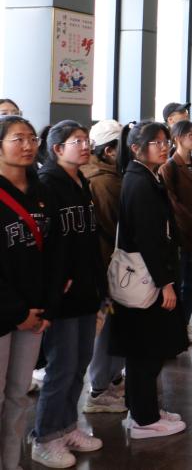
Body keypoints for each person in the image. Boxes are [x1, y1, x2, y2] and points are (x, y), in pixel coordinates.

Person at [32, 121, 105, 466]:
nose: (86, 145)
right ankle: (45, 437)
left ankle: (67, 427)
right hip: (63, 291)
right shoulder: (47, 183)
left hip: (87, 286)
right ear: (57, 148)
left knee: (79, 362)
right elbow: (46, 241)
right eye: (77, 141)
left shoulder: (82, 182)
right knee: (61, 366)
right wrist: (55, 281)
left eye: (87, 140)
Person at [110, 121, 188, 439]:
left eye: (165, 141)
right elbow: (149, 239)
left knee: (145, 349)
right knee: (146, 351)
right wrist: (165, 283)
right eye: (157, 142)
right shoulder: (139, 182)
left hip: (148, 274)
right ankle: (144, 419)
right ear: (135, 148)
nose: (164, 147)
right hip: (146, 278)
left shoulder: (146, 177)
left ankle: (142, 410)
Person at [0, 115, 56, 468]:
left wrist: (46, 306)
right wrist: (17, 312)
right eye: (17, 139)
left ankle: (12, 462)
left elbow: (53, 253)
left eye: (32, 138)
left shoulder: (41, 191)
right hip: (6, 313)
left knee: (19, 395)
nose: (27, 145)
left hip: (35, 311)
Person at [82, 120, 127, 415]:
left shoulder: (96, 175)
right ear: (110, 151)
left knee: (110, 325)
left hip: (104, 263)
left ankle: (109, 380)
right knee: (107, 326)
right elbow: (116, 226)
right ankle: (99, 389)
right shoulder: (105, 181)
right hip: (108, 263)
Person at [158, 121, 192, 347]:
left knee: (191, 285)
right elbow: (173, 204)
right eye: (190, 134)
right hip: (181, 237)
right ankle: (173, 328)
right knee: (179, 285)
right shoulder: (168, 168)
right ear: (177, 138)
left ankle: (184, 323)